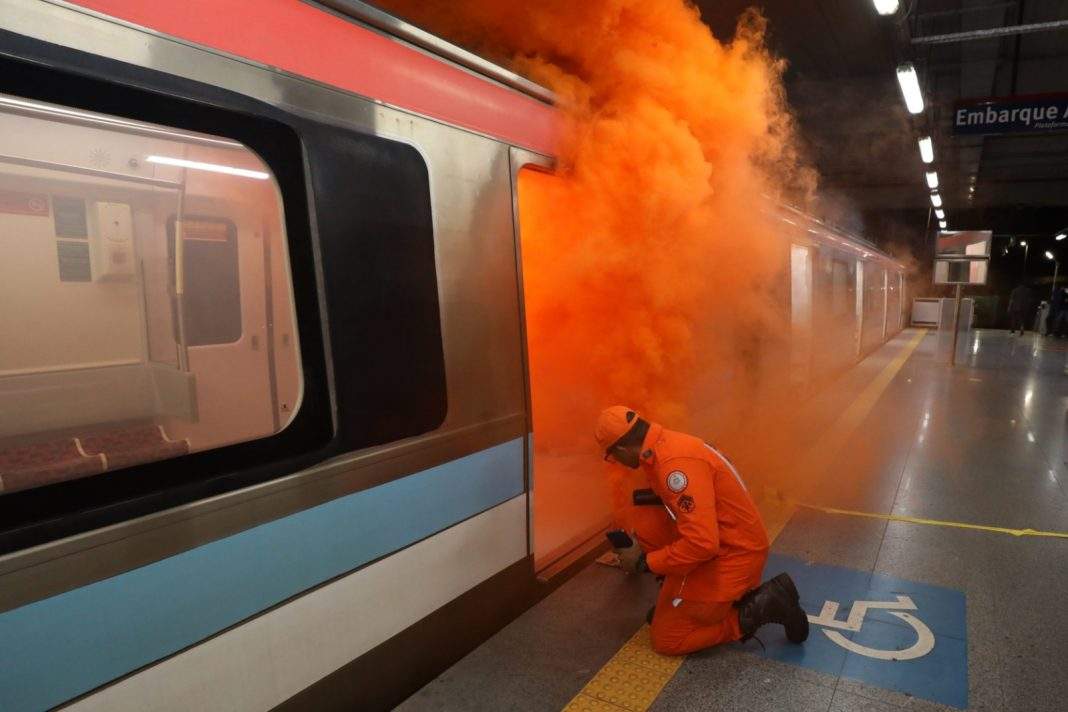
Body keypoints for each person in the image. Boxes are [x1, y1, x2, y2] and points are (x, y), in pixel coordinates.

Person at [595, 406, 809, 655]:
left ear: (621, 449)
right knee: (647, 521)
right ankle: (689, 605)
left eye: (611, 457)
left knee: (667, 639)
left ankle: (765, 605)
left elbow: (703, 544)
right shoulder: (667, 445)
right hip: (728, 543)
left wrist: (645, 561)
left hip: (734, 556)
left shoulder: (674, 467)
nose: (615, 463)